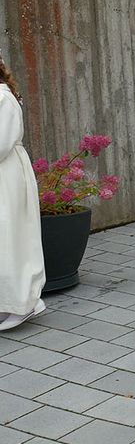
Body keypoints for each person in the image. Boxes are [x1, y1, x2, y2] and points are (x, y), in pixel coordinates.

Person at [0, 54, 46, 330]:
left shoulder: (3, 98)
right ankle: (10, 301)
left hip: (7, 175)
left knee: (12, 236)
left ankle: (24, 301)